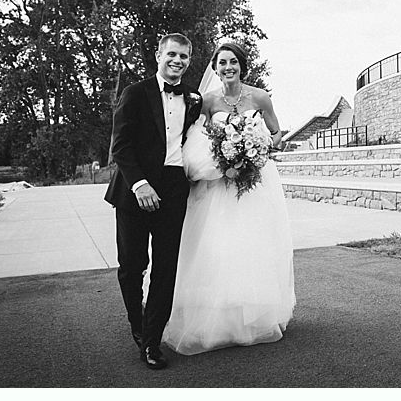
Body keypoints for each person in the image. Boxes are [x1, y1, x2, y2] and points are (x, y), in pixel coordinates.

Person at [163, 40, 295, 354]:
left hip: (255, 183)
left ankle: (252, 315)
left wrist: (260, 144)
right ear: (215, 67)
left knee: (253, 244)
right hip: (220, 186)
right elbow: (196, 139)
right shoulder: (206, 101)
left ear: (242, 65)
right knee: (220, 246)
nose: (228, 68)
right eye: (222, 63)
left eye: (233, 62)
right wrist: (222, 158)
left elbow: (277, 134)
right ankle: (221, 319)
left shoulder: (260, 97)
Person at [105, 33, 196, 370]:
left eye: (184, 57)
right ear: (158, 55)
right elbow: (120, 145)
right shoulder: (135, 93)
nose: (178, 61)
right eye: (172, 54)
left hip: (174, 188)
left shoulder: (194, 99)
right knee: (132, 266)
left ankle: (152, 341)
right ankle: (138, 326)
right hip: (134, 188)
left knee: (166, 267)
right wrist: (140, 184)